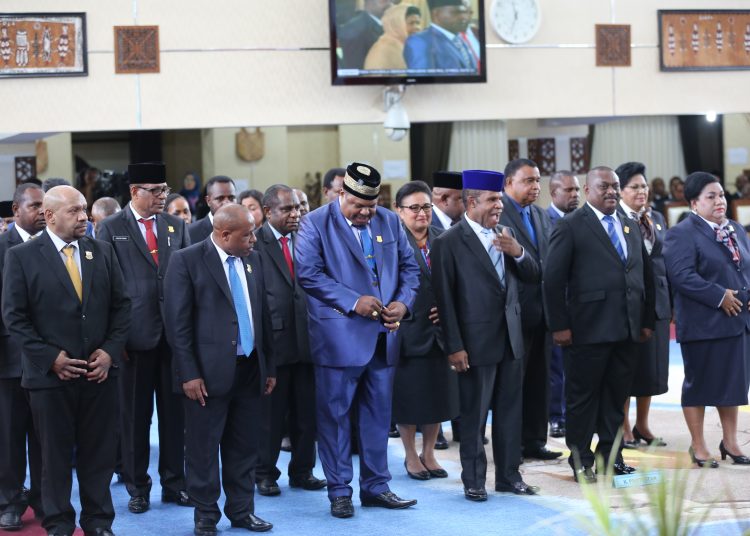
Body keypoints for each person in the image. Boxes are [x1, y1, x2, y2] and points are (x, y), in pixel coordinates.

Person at [2, 185, 131, 536]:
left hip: (98, 375)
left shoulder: (102, 251)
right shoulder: (22, 257)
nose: (83, 217)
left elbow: (122, 307)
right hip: (49, 379)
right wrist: (50, 358)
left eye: (84, 209)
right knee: (54, 458)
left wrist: (109, 350)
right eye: (74, 210)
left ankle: (99, 522)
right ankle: (59, 523)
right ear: (50, 216)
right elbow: (14, 317)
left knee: (99, 455)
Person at [296, 162, 420, 519]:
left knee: (378, 417)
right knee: (334, 420)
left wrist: (403, 304)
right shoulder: (315, 223)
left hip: (385, 337)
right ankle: (339, 491)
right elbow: (309, 274)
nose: (366, 212)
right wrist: (353, 301)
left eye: (372, 205)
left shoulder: (390, 221)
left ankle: (376, 487)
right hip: (339, 339)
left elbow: (410, 269)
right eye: (359, 205)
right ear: (341, 194)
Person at [164, 204, 275, 536]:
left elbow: (263, 316)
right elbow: (177, 325)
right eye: (248, 234)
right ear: (225, 235)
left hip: (250, 369)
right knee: (203, 448)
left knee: (244, 446)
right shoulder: (186, 261)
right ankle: (206, 514)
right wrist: (188, 373)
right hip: (205, 375)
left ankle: (242, 511)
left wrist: (269, 366)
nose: (254, 239)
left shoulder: (254, 260)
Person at [432, 169, 541, 501]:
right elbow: (445, 300)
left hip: (511, 339)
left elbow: (534, 275)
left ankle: (509, 476)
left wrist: (518, 252)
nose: (500, 205)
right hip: (474, 344)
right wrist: (454, 346)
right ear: (471, 202)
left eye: (500, 199)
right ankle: (474, 480)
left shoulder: (507, 234)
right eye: (493, 199)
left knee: (510, 413)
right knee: (474, 417)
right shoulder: (448, 242)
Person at [543, 167, 655, 484]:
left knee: (616, 398)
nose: (611, 191)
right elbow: (553, 280)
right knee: (582, 399)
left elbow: (645, 276)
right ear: (588, 190)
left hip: (627, 329)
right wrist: (559, 325)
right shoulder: (570, 225)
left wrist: (647, 320)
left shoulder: (629, 224)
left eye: (615, 186)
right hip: (586, 330)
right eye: (603, 186)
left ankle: (611, 457)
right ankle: (581, 459)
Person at [96, 162, 191, 514]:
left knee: (175, 417)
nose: (162, 196)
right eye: (156, 190)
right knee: (135, 418)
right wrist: (113, 340)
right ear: (135, 192)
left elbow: (186, 279)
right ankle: (137, 486)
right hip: (131, 340)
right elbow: (102, 286)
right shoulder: (110, 227)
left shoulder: (176, 226)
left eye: (165, 189)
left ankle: (174, 483)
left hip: (173, 337)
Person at [663, 172, 750, 468]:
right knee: (699, 384)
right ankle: (698, 445)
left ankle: (730, 442)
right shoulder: (681, 233)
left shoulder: (735, 228)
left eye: (721, 195)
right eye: (710, 196)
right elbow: (681, 276)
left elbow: (744, 269)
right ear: (694, 203)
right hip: (703, 324)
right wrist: (719, 296)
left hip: (737, 320)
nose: (719, 201)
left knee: (733, 384)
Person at [254, 185, 326, 497]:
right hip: (274, 341)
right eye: (287, 209)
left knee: (306, 413)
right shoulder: (254, 242)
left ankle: (303, 470)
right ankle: (264, 473)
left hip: (308, 339)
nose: (295, 213)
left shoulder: (308, 238)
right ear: (268, 211)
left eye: (297, 207)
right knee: (270, 416)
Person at [392, 181, 458, 481]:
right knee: (409, 396)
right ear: (399, 210)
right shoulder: (392, 242)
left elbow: (457, 281)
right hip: (408, 329)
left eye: (427, 207)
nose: (422, 213)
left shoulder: (444, 238)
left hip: (440, 331)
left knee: (437, 395)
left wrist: (448, 310)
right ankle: (410, 454)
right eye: (414, 208)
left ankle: (429, 452)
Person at [499, 159, 560, 462]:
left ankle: (535, 441)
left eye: (537, 180)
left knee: (539, 381)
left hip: (542, 312)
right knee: (513, 385)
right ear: (509, 183)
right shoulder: (498, 214)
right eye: (528, 181)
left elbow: (548, 260)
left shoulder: (540, 214)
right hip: (514, 314)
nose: (536, 186)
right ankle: (511, 447)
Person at [0, 184, 45, 531]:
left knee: (45, 436)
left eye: (46, 206)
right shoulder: (2, 246)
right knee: (10, 436)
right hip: (9, 358)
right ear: (16, 210)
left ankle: (44, 498)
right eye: (35, 206)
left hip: (49, 358)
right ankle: (9, 500)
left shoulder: (55, 245)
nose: (43, 212)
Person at [616, 162, 670, 450]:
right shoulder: (616, 218)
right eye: (634, 186)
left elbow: (664, 261)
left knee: (651, 368)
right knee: (628, 367)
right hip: (629, 304)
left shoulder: (656, 217)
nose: (642, 191)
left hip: (657, 301)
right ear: (620, 191)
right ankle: (624, 427)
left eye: (644, 186)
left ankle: (643, 424)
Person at [546, 171, 580, 439]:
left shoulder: (581, 220)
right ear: (553, 193)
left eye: (577, 190)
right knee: (556, 367)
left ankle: (573, 414)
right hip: (556, 304)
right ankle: (556, 416)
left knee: (576, 367)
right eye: (569, 190)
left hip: (581, 305)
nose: (575, 195)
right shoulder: (545, 220)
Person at [403, 0, 477, 73]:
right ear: (436, 14)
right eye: (456, 12)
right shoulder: (420, 42)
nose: (464, 17)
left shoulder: (459, 39)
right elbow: (424, 78)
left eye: (465, 12)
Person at [338, 0, 393, 70]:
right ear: (368, 2)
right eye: (383, 1)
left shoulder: (391, 25)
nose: (390, 4)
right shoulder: (354, 29)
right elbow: (355, 70)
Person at [189, 176, 237, 243]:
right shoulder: (191, 232)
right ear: (208, 201)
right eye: (220, 198)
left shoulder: (245, 228)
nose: (227, 203)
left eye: (231, 198)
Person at [364, 4, 410, 70]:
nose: (417, 28)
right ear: (396, 24)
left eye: (417, 22)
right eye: (410, 23)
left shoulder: (406, 45)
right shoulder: (383, 49)